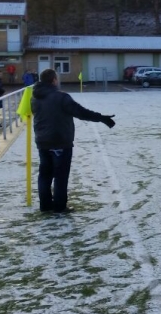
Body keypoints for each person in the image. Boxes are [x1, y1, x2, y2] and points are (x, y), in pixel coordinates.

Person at [31, 68, 115, 214]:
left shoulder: (34, 97)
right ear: (54, 80)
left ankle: (45, 205)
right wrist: (101, 118)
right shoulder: (61, 97)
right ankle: (59, 207)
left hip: (42, 141)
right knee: (60, 176)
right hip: (60, 141)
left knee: (45, 175)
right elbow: (81, 112)